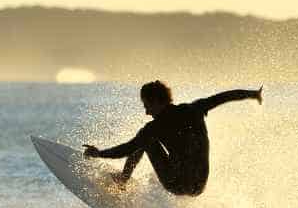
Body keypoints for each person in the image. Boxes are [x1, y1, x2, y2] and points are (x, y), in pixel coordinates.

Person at [83, 80, 262, 196]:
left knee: (144, 141)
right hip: (199, 185)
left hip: (176, 184)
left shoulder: (154, 128)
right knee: (145, 139)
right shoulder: (194, 109)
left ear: (156, 101)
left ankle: (123, 179)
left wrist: (99, 153)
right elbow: (224, 97)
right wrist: (252, 94)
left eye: (147, 106)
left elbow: (128, 148)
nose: (146, 112)